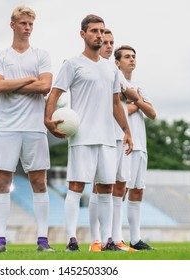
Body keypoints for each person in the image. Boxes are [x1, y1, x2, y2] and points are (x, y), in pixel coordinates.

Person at [44, 15, 132, 252]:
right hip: (82, 136)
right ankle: (71, 239)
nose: (99, 35)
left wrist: (126, 130)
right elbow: (55, 93)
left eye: (102, 31)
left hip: (107, 138)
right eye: (94, 31)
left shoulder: (111, 69)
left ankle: (106, 241)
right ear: (82, 34)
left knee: (105, 188)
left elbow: (116, 104)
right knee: (76, 186)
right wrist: (47, 119)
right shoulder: (72, 64)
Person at [0, 6, 54, 252]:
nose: (27, 28)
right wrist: (29, 80)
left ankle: (43, 240)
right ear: (12, 24)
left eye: (30, 24)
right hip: (6, 127)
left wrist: (12, 84)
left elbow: (45, 86)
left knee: (39, 182)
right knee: (2, 182)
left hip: (34, 128)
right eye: (23, 23)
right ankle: (0, 240)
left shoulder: (41, 55)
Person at [88, 29, 139, 252]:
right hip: (102, 135)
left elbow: (131, 95)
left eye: (111, 42)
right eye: (105, 42)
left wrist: (125, 94)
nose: (108, 45)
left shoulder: (112, 70)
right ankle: (96, 239)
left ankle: (116, 239)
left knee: (120, 186)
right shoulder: (93, 68)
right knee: (99, 188)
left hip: (119, 134)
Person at [115, 45, 157, 250]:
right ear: (117, 62)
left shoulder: (139, 86)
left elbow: (152, 113)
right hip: (124, 143)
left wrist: (136, 100)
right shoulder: (116, 82)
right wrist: (136, 103)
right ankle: (116, 237)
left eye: (133, 56)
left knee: (138, 190)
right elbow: (121, 110)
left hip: (141, 146)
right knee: (121, 189)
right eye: (127, 57)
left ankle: (135, 239)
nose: (132, 60)